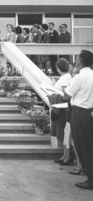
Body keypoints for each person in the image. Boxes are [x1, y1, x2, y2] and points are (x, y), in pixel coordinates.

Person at [63, 50, 93, 190]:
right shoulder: (92, 74)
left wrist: (67, 87)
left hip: (79, 113)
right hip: (89, 112)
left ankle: (90, 178)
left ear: (80, 61)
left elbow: (66, 96)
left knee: (82, 146)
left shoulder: (79, 77)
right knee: (89, 145)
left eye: (78, 58)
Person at [49, 58, 72, 165]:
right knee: (62, 133)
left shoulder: (66, 78)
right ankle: (64, 155)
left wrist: (53, 88)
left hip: (62, 108)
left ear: (58, 68)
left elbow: (64, 93)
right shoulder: (65, 77)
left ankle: (67, 156)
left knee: (64, 133)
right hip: (61, 107)